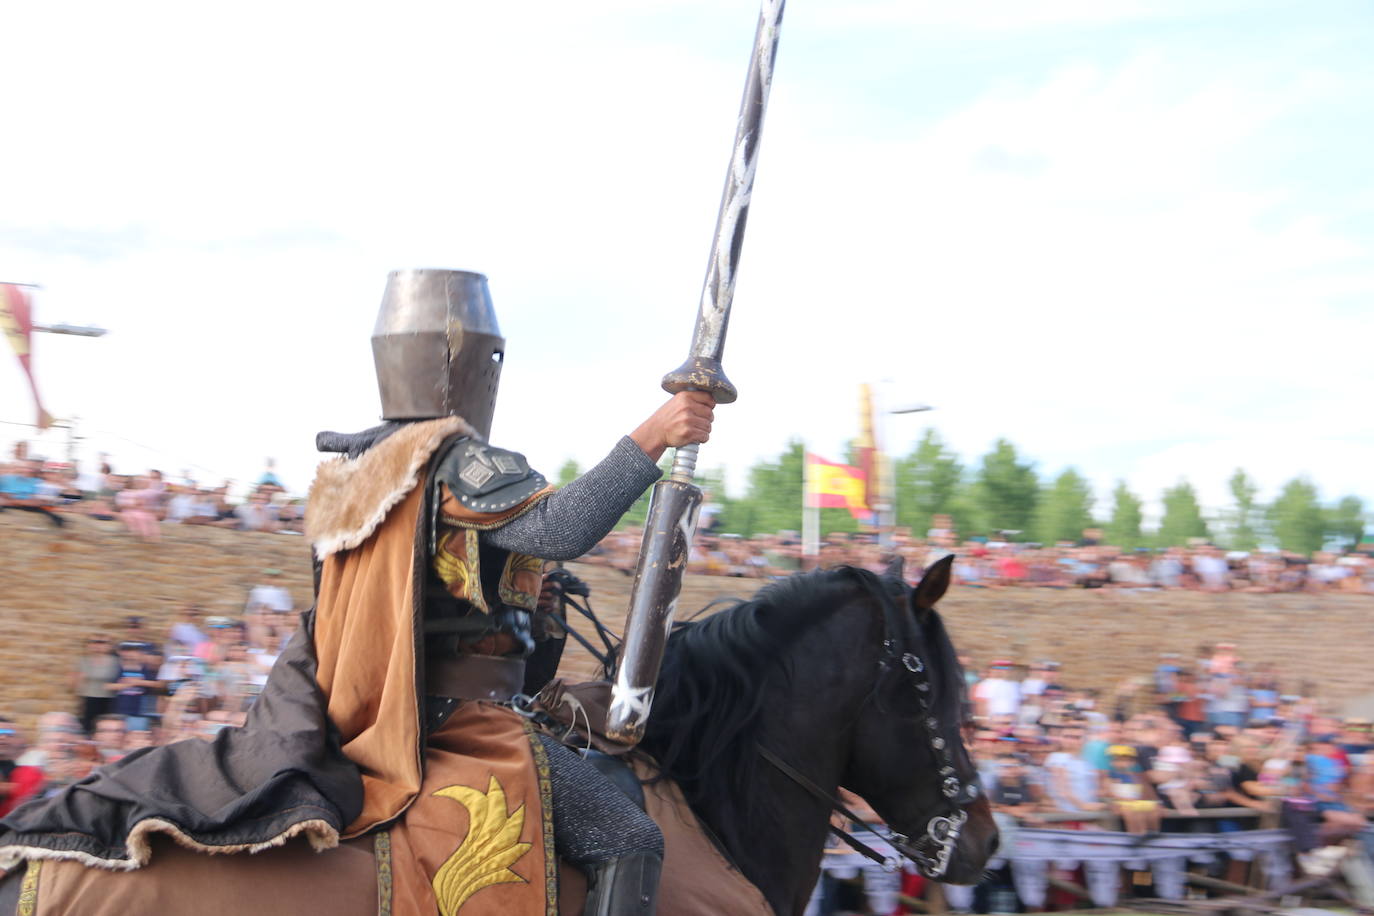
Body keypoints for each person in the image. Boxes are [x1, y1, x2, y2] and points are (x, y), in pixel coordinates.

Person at [0, 268, 709, 915]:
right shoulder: (455, 459)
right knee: (627, 836)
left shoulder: (358, 469)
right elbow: (563, 528)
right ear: (460, 356)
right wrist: (655, 434)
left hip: (373, 708)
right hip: (457, 722)